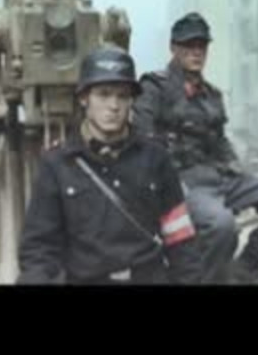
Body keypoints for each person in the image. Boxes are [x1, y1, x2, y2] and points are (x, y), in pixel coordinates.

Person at [133, 12, 258, 284]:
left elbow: (220, 141)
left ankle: (248, 264)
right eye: (189, 45)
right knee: (221, 225)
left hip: (221, 177)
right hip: (183, 181)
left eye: (201, 45)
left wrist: (237, 168)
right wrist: (166, 182)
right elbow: (144, 139)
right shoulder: (154, 87)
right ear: (174, 48)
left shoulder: (211, 95)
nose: (196, 52)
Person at [18, 46, 202, 284]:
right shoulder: (57, 165)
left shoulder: (156, 159)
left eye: (122, 96)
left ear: (131, 101)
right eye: (103, 94)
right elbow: (39, 250)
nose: (113, 105)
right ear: (84, 98)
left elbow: (180, 240)